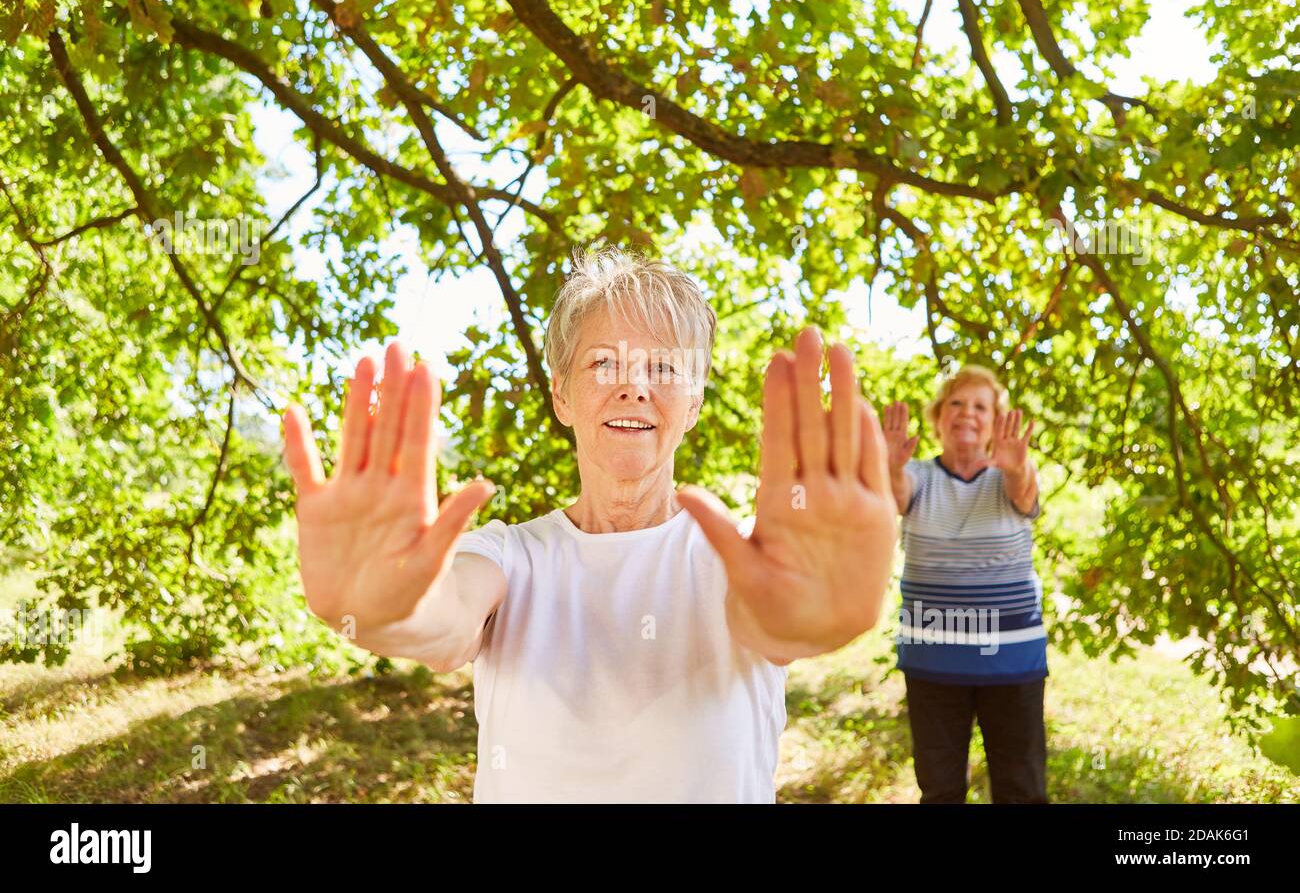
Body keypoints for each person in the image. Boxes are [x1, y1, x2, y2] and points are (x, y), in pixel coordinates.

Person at [281, 247, 898, 802]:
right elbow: (441, 617)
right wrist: (384, 608)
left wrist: (817, 615)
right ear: (562, 395)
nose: (633, 386)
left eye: (662, 368)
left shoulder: (744, 559)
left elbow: (775, 620)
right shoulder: (510, 557)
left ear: (695, 402)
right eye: (604, 363)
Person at [883, 365, 1048, 803]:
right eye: (956, 403)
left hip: (1011, 661)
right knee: (939, 791)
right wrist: (890, 466)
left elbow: (1025, 493)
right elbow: (897, 496)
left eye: (980, 406)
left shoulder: (1010, 476)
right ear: (938, 418)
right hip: (933, 660)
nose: (967, 414)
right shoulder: (918, 474)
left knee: (1022, 789)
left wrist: (1018, 467)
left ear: (996, 422)